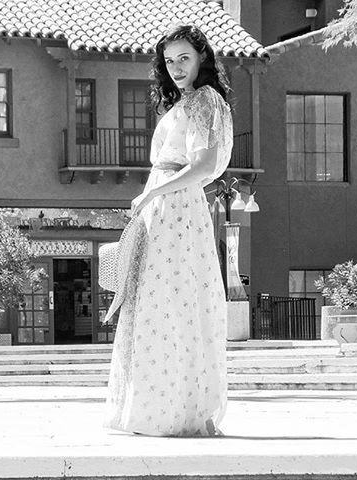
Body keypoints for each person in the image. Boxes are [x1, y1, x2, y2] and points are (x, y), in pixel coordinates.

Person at [103, 24, 233, 437]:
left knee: (170, 304)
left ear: (202, 60)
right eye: (170, 60)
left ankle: (171, 410)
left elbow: (205, 165)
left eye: (185, 58)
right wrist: (149, 198)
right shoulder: (182, 103)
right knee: (152, 304)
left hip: (176, 209)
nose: (176, 67)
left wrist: (152, 193)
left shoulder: (206, 101)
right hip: (163, 206)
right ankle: (152, 407)